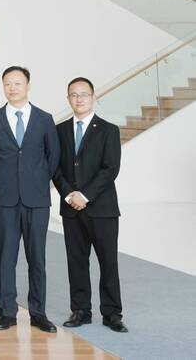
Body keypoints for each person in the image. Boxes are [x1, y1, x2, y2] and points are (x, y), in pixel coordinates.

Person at [0, 65, 60, 333]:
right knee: (6, 258)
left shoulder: (44, 119)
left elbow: (53, 157)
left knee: (37, 258)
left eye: (17, 83)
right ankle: (6, 312)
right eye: (8, 83)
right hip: (4, 200)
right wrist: (1, 184)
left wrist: (36, 180)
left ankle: (38, 313)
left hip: (36, 200)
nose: (12, 88)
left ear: (28, 86)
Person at [54, 77, 126, 333]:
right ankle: (80, 310)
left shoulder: (109, 130)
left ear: (94, 97)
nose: (79, 99)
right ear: (68, 99)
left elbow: (110, 168)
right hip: (70, 209)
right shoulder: (59, 130)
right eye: (74, 95)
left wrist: (84, 196)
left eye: (84, 94)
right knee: (76, 261)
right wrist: (68, 194)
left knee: (108, 261)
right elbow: (55, 167)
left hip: (102, 208)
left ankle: (112, 313)